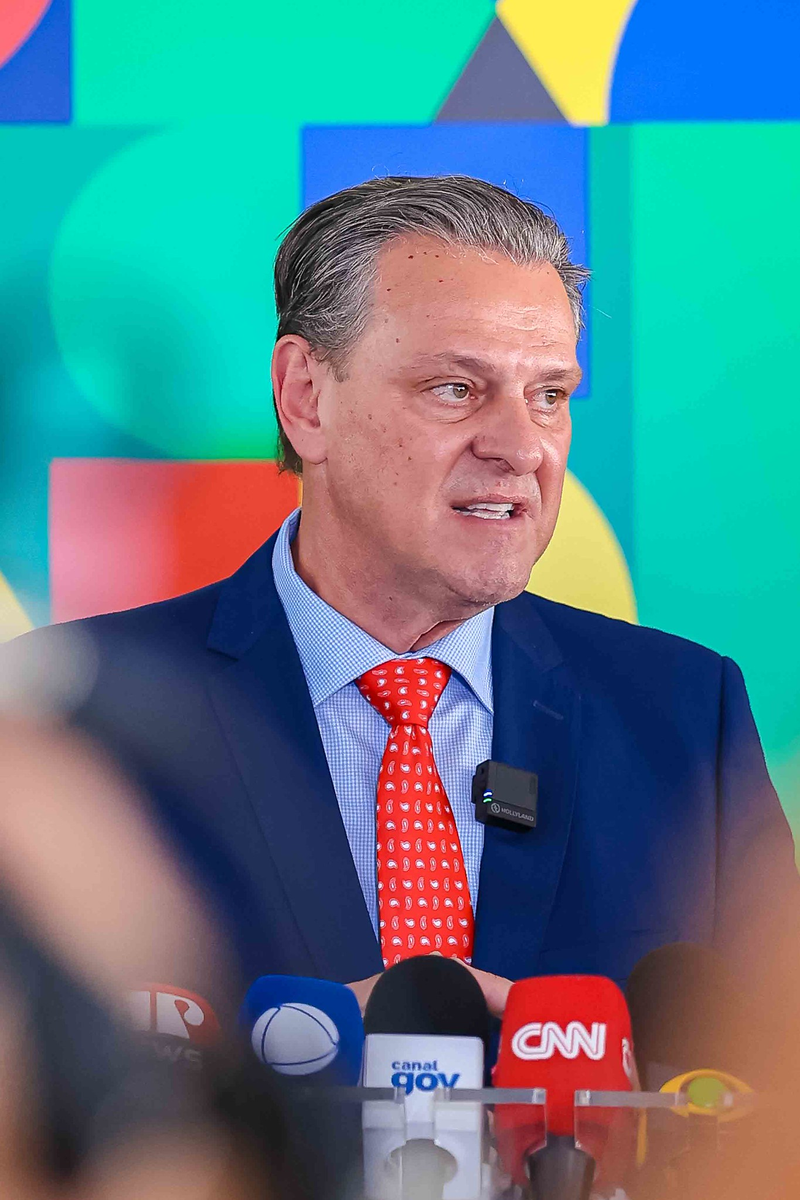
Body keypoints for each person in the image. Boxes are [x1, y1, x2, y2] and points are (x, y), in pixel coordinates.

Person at [5, 175, 798, 1020]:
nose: (522, 447)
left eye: (549, 396)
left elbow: (773, 1065)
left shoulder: (685, 716)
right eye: (456, 388)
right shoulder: (80, 720)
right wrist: (295, 1042)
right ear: (306, 398)